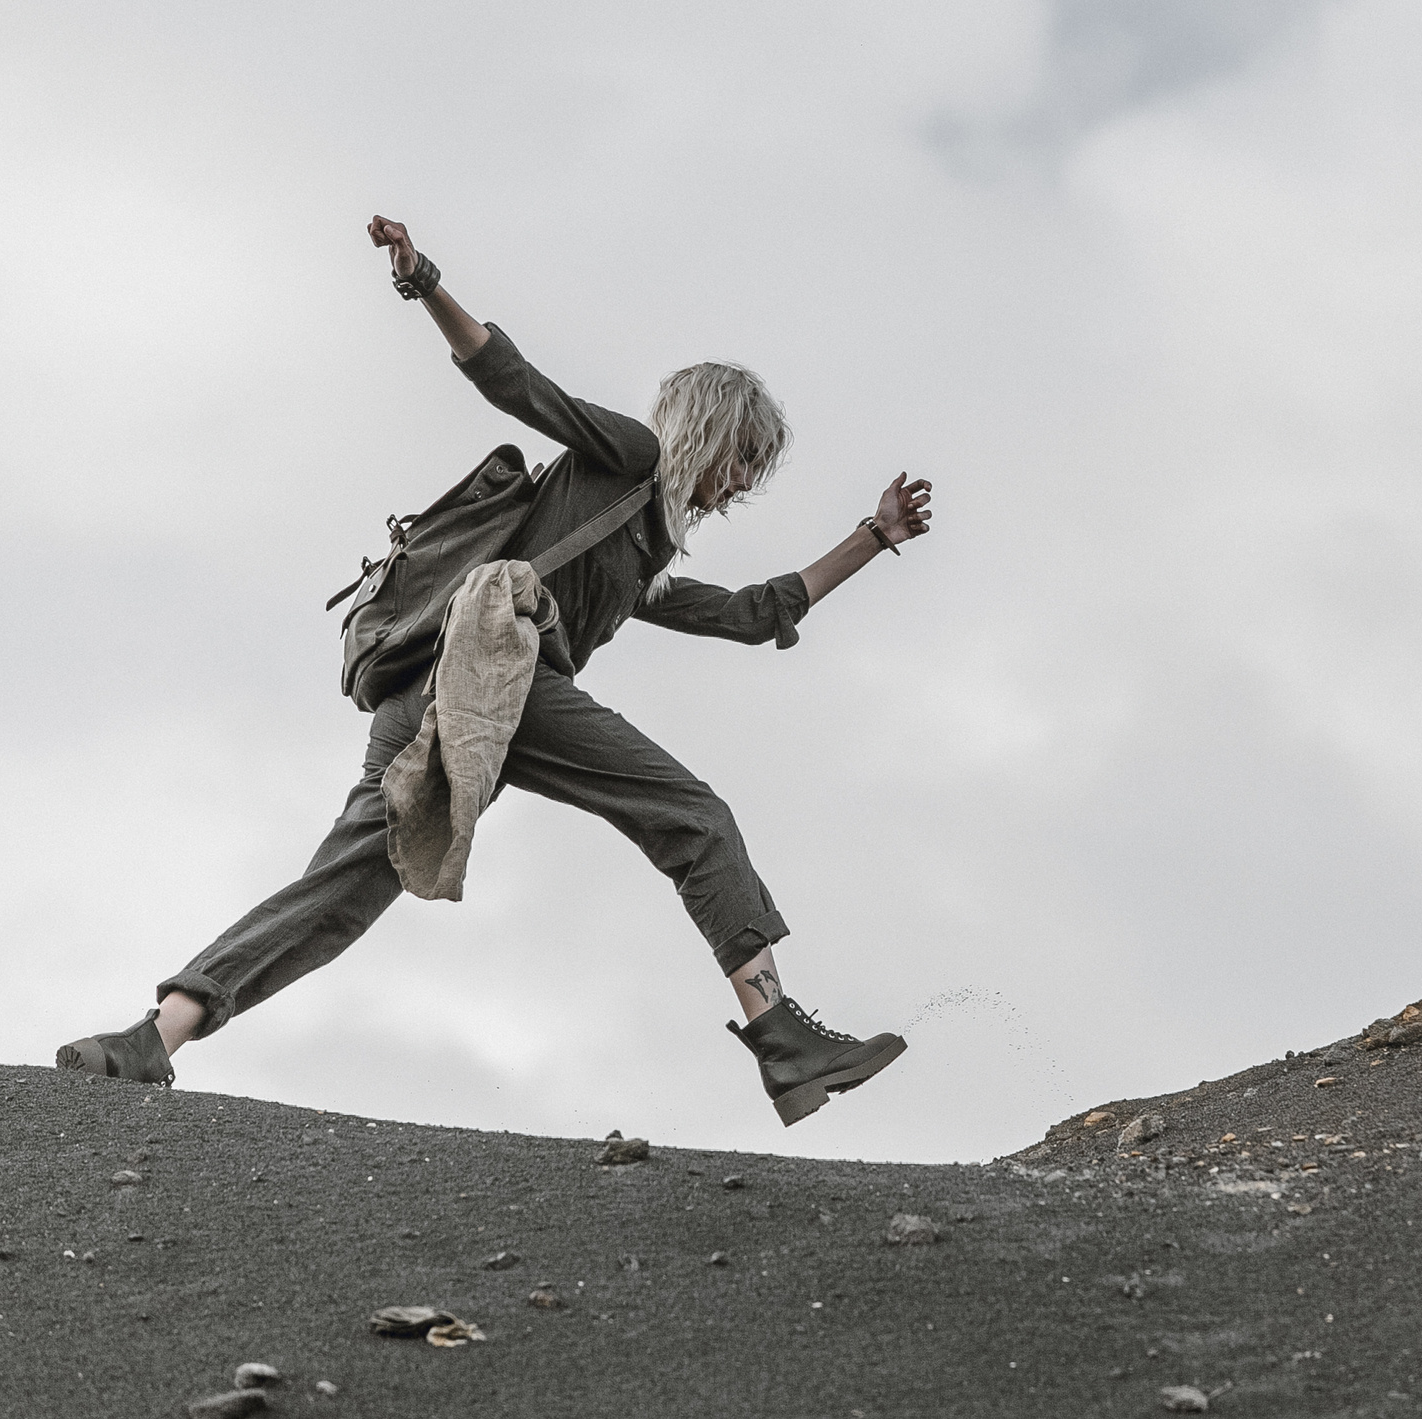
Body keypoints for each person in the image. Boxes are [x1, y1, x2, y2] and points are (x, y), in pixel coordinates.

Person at [57, 216, 930, 1126]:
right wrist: (425, 279)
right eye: (746, 457)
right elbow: (515, 383)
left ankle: (153, 1036)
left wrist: (873, 537)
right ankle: (781, 1039)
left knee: (342, 889)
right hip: (490, 674)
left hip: (431, 697)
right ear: (710, 432)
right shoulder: (628, 456)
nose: (745, 482)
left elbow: (753, 614)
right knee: (693, 816)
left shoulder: (641, 555)